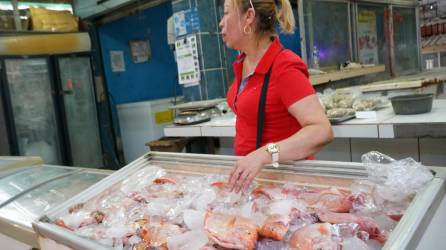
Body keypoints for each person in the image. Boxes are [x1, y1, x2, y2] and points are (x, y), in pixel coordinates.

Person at [219, 0, 333, 193]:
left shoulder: (284, 67)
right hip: (256, 182)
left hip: (286, 187)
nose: (221, 23)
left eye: (227, 13)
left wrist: (264, 154)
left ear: (249, 17)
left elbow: (321, 130)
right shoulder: (244, 61)